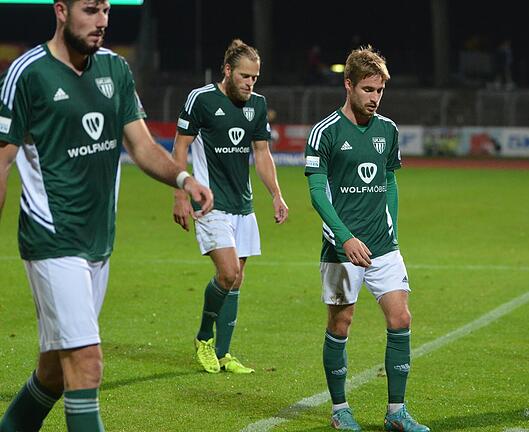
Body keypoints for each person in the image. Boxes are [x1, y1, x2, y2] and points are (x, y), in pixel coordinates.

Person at [0, 1, 213, 430]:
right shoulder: (28, 74)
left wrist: (184, 180)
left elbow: (141, 145)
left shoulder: (115, 70)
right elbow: (2, 162)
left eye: (107, 11)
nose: (102, 21)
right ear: (61, 11)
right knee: (87, 361)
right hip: (51, 238)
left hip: (99, 241)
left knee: (54, 371)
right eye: (91, 10)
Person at [304, 45, 430, 432]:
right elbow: (317, 192)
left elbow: (389, 179)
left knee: (401, 318)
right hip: (342, 249)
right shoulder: (325, 132)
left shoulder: (387, 130)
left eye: (380, 91)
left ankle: (396, 413)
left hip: (383, 245)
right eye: (368, 90)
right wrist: (344, 237)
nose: (375, 99)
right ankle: (340, 409)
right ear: (348, 85)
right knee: (341, 324)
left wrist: (391, 226)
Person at [172, 39, 288, 374]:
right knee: (227, 273)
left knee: (236, 283)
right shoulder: (201, 99)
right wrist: (180, 193)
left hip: (243, 205)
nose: (250, 83)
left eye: (255, 77)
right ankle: (204, 338)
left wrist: (276, 194)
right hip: (210, 203)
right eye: (244, 76)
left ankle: (224, 353)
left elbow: (262, 154)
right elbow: (181, 147)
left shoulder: (258, 105)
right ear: (227, 71)